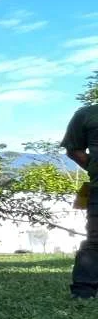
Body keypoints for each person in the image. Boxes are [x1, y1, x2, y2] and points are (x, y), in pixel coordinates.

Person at [62, 104, 98, 299]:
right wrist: (94, 167)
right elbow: (74, 149)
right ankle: (84, 292)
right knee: (96, 240)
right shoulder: (86, 114)